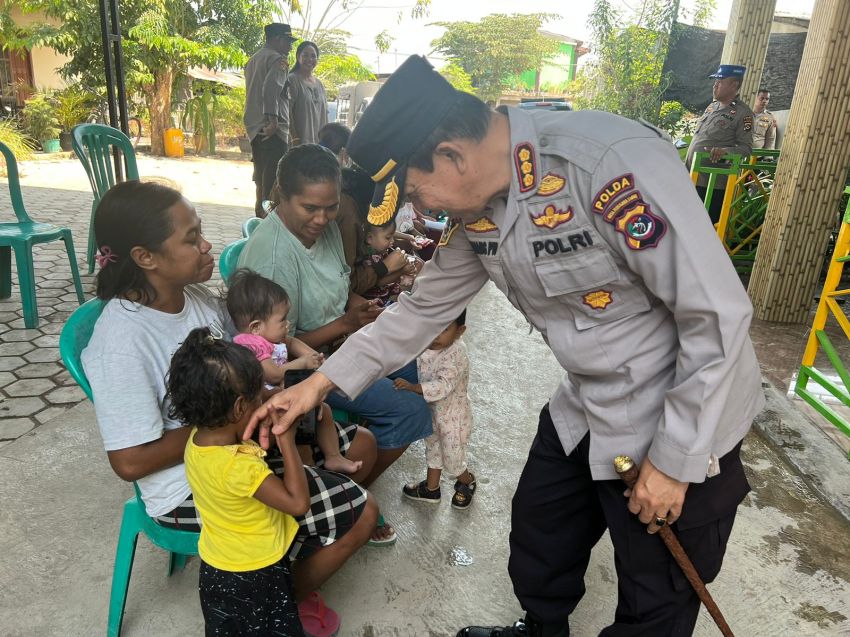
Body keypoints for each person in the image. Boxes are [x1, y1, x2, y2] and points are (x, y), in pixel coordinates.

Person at [246, 55, 765, 636]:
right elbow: (418, 313)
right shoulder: (478, 213)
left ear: (452, 156)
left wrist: (673, 462)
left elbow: (715, 315)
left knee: (657, 589)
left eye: (418, 191)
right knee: (541, 535)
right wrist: (316, 384)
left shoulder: (606, 164)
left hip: (684, 408)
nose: (422, 209)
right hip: (588, 400)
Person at [80, 180, 378, 629]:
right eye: (191, 238)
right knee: (363, 514)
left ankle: (278, 560)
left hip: (242, 440)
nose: (207, 245)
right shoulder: (121, 343)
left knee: (363, 446)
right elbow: (129, 461)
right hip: (195, 480)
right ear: (146, 258)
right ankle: (267, 605)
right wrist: (229, 424)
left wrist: (272, 397)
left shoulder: (198, 298)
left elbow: (253, 354)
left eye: (201, 232)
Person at [237, 144, 433, 543]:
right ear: (281, 195)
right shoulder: (272, 258)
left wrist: (360, 309)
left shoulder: (322, 230)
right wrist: (346, 323)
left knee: (426, 366)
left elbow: (339, 287)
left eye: (330, 207)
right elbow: (275, 347)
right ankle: (351, 500)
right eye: (310, 208)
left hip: (345, 340)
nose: (323, 218)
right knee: (412, 411)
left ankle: (348, 483)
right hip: (304, 370)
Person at [168, 328, 309, 636]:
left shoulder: (197, 441)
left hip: (218, 566)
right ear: (240, 408)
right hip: (256, 569)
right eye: (259, 397)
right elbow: (297, 503)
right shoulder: (239, 468)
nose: (264, 400)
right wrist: (287, 440)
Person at [226, 268, 363, 475]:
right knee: (300, 429)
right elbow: (273, 374)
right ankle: (307, 471)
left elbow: (291, 341)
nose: (288, 324)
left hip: (285, 395)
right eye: (282, 320)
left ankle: (333, 457)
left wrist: (313, 357)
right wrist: (303, 362)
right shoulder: (251, 344)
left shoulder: (269, 337)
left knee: (323, 410)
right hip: (266, 405)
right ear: (256, 327)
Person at [394, 310, 476, 509]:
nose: (434, 334)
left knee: (453, 459)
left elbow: (443, 385)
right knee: (433, 451)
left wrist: (414, 388)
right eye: (430, 328)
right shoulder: (428, 345)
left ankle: (468, 481)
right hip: (433, 412)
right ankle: (431, 490)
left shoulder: (456, 353)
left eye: (444, 329)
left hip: (453, 418)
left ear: (460, 331)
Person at [686, 64, 754, 223]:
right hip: (691, 177)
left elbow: (746, 149)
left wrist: (725, 151)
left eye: (720, 81)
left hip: (712, 186)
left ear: (734, 85)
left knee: (703, 228)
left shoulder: (744, 115)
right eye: (715, 81)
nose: (715, 85)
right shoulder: (712, 106)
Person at [244, 23, 298, 218]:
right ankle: (266, 225)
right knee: (273, 183)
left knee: (261, 179)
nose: (290, 47)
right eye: (288, 41)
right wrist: (273, 120)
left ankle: (259, 221)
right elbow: (271, 90)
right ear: (277, 39)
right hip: (272, 130)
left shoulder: (253, 60)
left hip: (255, 128)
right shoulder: (278, 60)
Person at [358, 218, 418, 303]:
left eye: (393, 237)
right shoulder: (370, 258)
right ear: (370, 238)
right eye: (388, 238)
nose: (392, 241)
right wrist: (401, 271)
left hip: (389, 291)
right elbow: (379, 281)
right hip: (379, 299)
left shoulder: (381, 251)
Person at [288, 41, 328, 146]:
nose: (309, 59)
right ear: (298, 57)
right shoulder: (292, 80)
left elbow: (324, 115)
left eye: (313, 56)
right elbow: (287, 112)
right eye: (305, 55)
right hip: (298, 144)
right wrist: (295, 138)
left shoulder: (319, 84)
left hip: (318, 145)